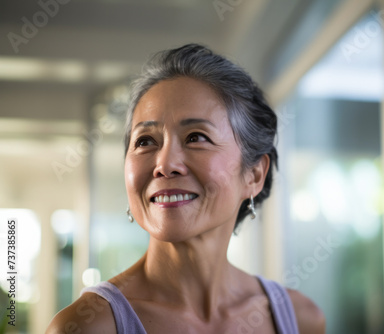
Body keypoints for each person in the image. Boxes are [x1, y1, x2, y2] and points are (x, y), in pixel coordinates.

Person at [46, 43, 325, 334]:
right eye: (145, 141)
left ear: (254, 175)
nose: (164, 164)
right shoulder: (87, 326)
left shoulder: (300, 318)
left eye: (196, 137)